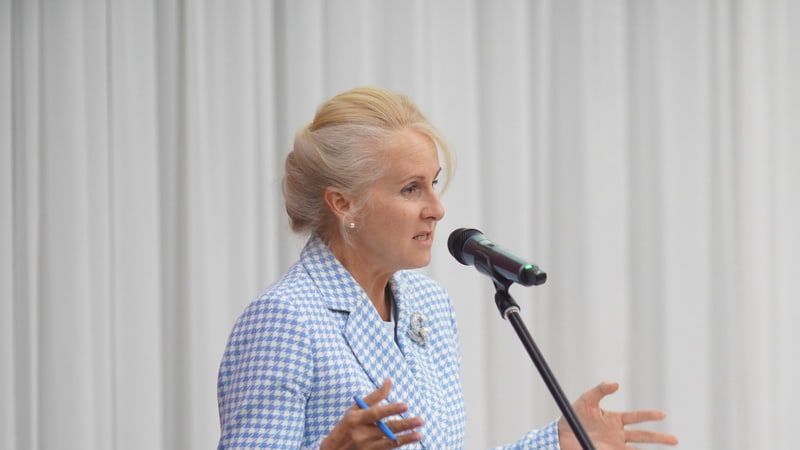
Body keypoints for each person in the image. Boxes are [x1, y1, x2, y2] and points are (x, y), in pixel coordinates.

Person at [216, 86, 678, 449]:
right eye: (411, 189)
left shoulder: (429, 304)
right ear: (342, 203)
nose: (437, 209)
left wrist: (554, 444)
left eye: (433, 184)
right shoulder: (284, 319)